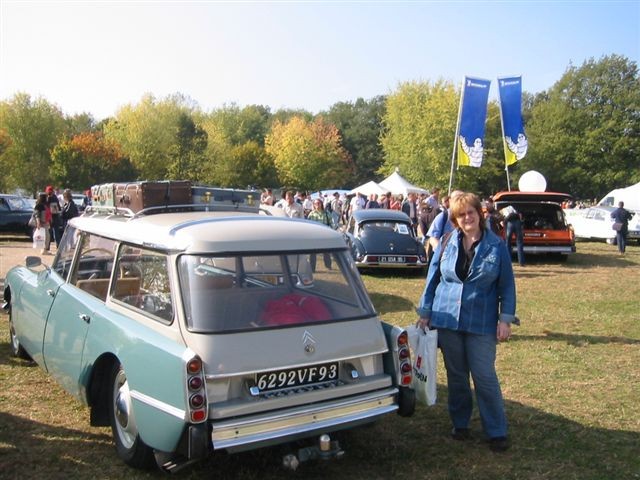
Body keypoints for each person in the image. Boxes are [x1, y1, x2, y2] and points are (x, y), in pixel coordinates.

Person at [416, 192, 516, 452]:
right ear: (455, 219)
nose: (467, 217)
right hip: (448, 319)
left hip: (481, 322)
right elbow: (433, 278)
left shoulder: (497, 246)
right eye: (461, 215)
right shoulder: (447, 242)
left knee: (484, 377)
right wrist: (425, 311)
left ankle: (496, 430)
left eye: (470, 212)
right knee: (457, 377)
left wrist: (505, 319)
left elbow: (507, 286)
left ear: (480, 214)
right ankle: (460, 424)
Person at [307, 199, 333, 270]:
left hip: (325, 236)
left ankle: (328, 266)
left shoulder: (327, 213)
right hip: (314, 236)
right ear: (314, 205)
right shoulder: (311, 214)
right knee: (313, 253)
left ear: (321, 204)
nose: (317, 205)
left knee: (326, 252)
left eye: (319, 203)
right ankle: (312, 268)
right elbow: (307, 226)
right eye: (316, 204)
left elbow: (332, 224)